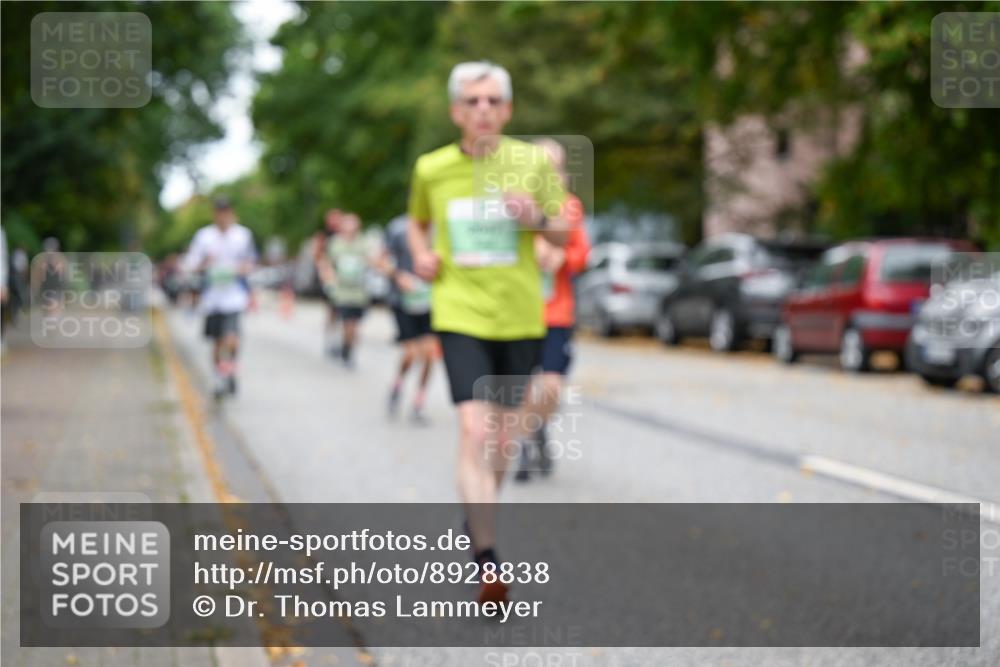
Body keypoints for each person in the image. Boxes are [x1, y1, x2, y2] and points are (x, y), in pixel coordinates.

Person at [407, 61, 569, 604]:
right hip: (458, 314)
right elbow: (416, 222)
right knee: (474, 432)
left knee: (502, 440)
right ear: (456, 111)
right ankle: (487, 556)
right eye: (472, 101)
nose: (483, 109)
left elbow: (564, 230)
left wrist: (536, 221)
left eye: (493, 100)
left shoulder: (532, 163)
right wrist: (421, 256)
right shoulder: (431, 169)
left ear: (508, 109)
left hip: (520, 316)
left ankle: (476, 520)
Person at [515, 139, 590, 481]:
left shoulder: (570, 207)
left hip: (556, 312)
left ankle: (533, 430)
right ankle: (525, 444)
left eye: (555, 166)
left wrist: (563, 258)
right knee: (518, 388)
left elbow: (582, 253)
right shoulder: (513, 204)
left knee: (551, 387)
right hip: (517, 311)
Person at [184, 197, 257, 398]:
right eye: (219, 212)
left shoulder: (243, 235)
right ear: (215, 214)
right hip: (212, 298)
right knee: (217, 343)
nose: (223, 216)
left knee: (232, 339)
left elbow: (251, 262)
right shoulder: (204, 236)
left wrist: (242, 269)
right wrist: (204, 263)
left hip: (234, 296)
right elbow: (190, 263)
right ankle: (219, 377)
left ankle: (230, 370)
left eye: (226, 212)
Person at [382, 214, 436, 424]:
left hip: (430, 301)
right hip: (403, 300)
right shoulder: (398, 227)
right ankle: (397, 385)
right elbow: (381, 259)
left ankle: (418, 403)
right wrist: (398, 276)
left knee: (430, 354)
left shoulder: (443, 226)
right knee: (411, 353)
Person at [318, 212, 372, 369]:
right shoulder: (335, 243)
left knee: (355, 325)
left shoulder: (363, 243)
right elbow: (325, 262)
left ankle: (348, 347)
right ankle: (342, 347)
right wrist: (329, 279)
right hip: (342, 291)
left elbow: (372, 260)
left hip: (359, 292)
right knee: (345, 322)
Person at [315, 208, 343, 356]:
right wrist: (326, 275)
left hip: (346, 280)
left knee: (343, 313)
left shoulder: (344, 235)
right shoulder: (324, 236)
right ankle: (330, 340)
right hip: (330, 279)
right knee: (332, 311)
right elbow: (318, 257)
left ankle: (340, 342)